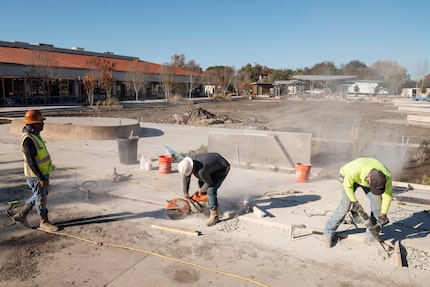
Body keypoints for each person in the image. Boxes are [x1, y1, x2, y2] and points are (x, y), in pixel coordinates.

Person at [7, 110, 58, 232]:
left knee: (40, 194)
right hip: (35, 176)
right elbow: (31, 162)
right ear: (33, 124)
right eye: (40, 122)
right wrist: (41, 177)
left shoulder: (34, 135)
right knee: (41, 197)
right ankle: (44, 222)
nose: (43, 124)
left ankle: (21, 215)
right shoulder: (28, 140)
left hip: (41, 173)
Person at [323, 157, 392, 247]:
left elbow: (387, 196)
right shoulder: (353, 171)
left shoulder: (387, 176)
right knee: (345, 206)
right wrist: (354, 202)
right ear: (369, 180)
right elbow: (348, 186)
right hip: (348, 176)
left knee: (378, 208)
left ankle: (370, 237)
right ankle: (328, 232)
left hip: (365, 177)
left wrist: (383, 214)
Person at [177, 152, 230, 226]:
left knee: (211, 189)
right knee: (201, 182)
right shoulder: (188, 163)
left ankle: (214, 216)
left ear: (191, 169)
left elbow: (209, 183)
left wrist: (201, 190)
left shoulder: (201, 171)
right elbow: (186, 177)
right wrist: (185, 192)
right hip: (212, 165)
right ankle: (207, 204)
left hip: (222, 168)